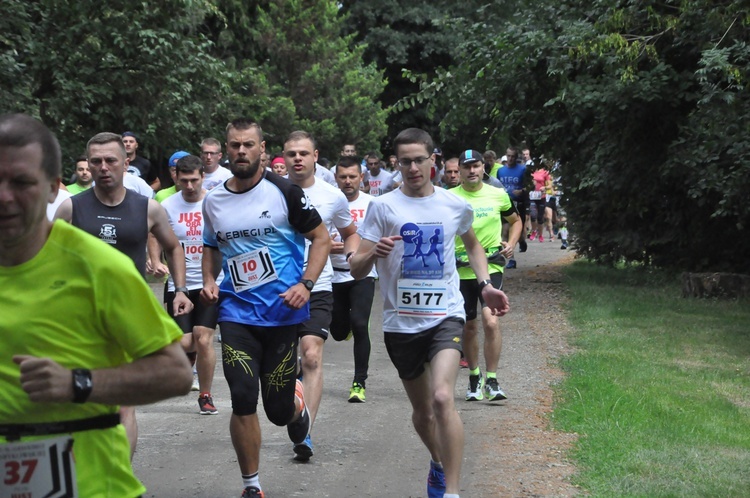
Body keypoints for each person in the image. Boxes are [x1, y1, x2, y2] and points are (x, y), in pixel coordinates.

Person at [0, 113, 192, 497]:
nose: (4, 196)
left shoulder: (100, 267)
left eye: (21, 183)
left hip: (87, 482)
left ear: (54, 188)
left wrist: (78, 383)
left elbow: (175, 373)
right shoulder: (76, 210)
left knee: (126, 412)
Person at [350, 128, 510, 498]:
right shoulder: (383, 207)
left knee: (442, 398)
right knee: (423, 413)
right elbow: (356, 268)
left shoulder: (453, 205)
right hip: (401, 322)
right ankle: (438, 462)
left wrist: (485, 283)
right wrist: (373, 254)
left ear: (432, 160)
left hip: (446, 315)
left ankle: (451, 493)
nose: (412, 167)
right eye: (404, 161)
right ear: (396, 164)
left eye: (419, 159)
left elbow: (473, 246)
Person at [201, 118, 331, 497]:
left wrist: (305, 285)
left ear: (261, 148)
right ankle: (251, 485)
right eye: (234, 145)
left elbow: (321, 239)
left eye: (248, 145)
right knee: (242, 396)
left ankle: (297, 402)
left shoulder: (285, 192)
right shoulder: (215, 200)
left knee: (277, 411)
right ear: (226, 149)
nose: (241, 151)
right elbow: (211, 244)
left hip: (281, 315)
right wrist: (210, 280)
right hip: (236, 312)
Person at [54, 132, 193, 458]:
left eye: (110, 161)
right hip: (81, 318)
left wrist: (181, 289)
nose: (103, 167)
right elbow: (51, 259)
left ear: (126, 163)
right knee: (80, 399)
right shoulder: (70, 208)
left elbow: (174, 248)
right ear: (87, 164)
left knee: (124, 404)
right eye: (96, 161)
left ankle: (120, 477)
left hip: (128, 314)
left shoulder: (147, 208)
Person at [285, 130, 360, 461]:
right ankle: (294, 397)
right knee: (282, 364)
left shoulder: (333, 196)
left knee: (312, 354)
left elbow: (350, 233)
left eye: (304, 153)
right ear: (283, 158)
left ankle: (306, 431)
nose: (297, 158)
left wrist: (354, 257)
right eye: (291, 154)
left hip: (319, 284)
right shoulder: (270, 192)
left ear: (316, 156)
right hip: (277, 288)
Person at [452, 149, 522, 403]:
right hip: (460, 269)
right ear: (458, 171)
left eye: (476, 166)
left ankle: (492, 379)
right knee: (469, 326)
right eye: (466, 167)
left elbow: (515, 220)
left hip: (491, 265)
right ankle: (474, 376)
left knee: (491, 321)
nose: (472, 171)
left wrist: (512, 243)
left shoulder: (497, 194)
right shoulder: (449, 198)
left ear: (484, 168)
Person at [161, 154, 221, 415]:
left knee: (203, 338)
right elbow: (156, 236)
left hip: (209, 282)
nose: (189, 186)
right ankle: (187, 357)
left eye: (194, 180)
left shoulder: (215, 202)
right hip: (179, 284)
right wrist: (155, 260)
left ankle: (205, 395)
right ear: (176, 177)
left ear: (202, 177)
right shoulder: (167, 206)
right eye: (184, 180)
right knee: (185, 343)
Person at [330, 156, 376, 402]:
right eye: (343, 177)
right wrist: (327, 247)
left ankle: (359, 382)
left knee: (360, 324)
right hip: (332, 274)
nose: (348, 181)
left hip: (364, 273)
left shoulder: (372, 204)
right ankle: (343, 325)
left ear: (361, 178)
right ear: (336, 178)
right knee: (337, 332)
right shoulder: (327, 202)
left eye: (352, 176)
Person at [496, 146, 530, 267]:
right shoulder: (500, 171)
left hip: (518, 203)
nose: (510, 159)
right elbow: (497, 186)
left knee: (518, 232)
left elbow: (529, 186)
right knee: (505, 230)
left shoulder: (522, 170)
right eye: (509, 156)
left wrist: (521, 191)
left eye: (513, 156)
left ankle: (522, 240)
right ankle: (511, 259)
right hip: (505, 203)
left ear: (516, 157)